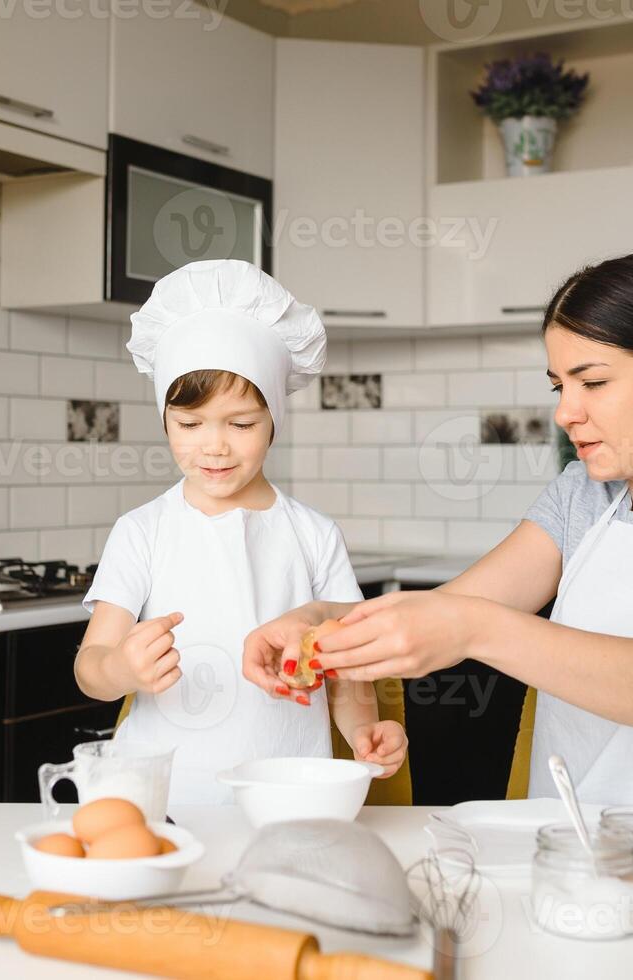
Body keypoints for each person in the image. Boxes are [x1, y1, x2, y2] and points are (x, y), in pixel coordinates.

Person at [243, 252, 633, 807]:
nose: (565, 412)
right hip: (574, 853)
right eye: (560, 386)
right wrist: (321, 624)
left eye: (593, 382)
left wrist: (474, 630)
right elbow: (437, 616)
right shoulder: (582, 494)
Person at [76, 259, 407, 805]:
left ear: (275, 418)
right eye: (189, 424)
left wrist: (361, 732)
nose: (214, 446)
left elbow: (346, 669)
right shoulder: (141, 531)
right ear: (164, 421)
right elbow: (91, 668)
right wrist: (120, 668)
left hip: (288, 795)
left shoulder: (315, 535)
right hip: (161, 804)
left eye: (241, 424)